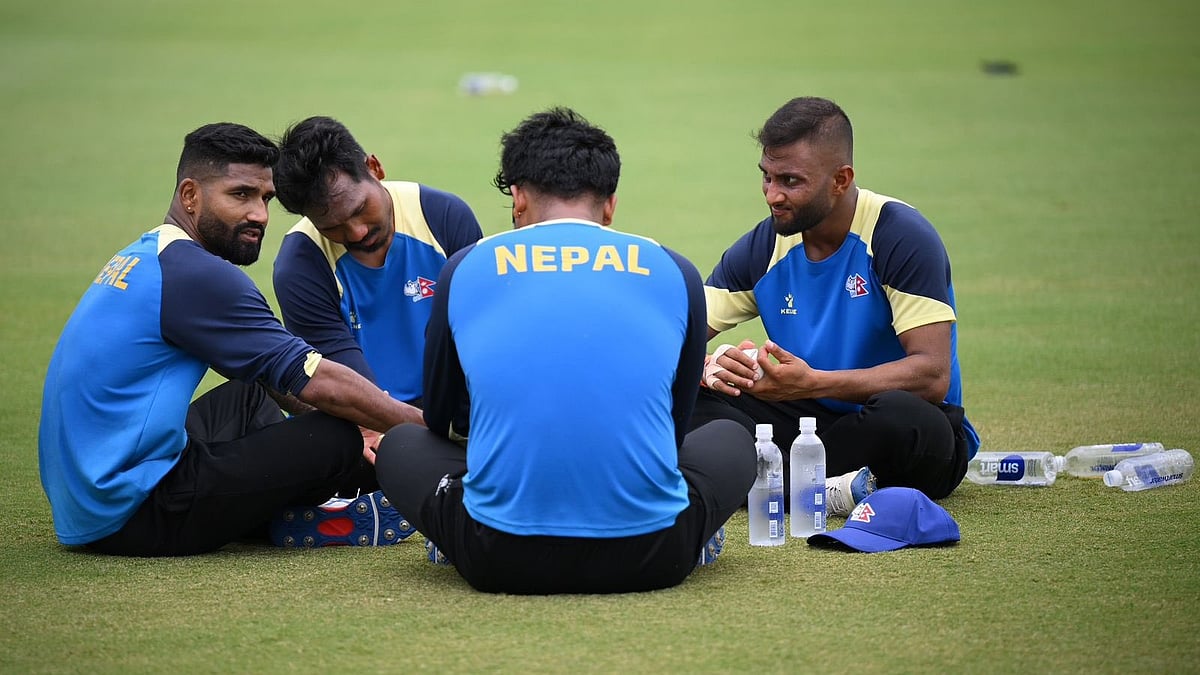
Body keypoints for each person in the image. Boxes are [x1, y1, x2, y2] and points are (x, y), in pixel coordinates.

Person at [374, 107, 756, 595]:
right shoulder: (675, 270)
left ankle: (457, 526)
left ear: (517, 198)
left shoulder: (465, 268)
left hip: (498, 559)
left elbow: (441, 418)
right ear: (610, 205)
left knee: (402, 445)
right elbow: (675, 427)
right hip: (655, 557)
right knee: (731, 435)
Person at [38, 122, 425, 557]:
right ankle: (342, 504)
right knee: (337, 438)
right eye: (240, 195)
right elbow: (313, 376)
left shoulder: (150, 253)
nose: (259, 214)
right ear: (190, 196)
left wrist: (361, 419)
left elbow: (273, 376)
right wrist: (416, 428)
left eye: (265, 198)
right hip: (132, 514)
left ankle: (289, 506)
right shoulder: (198, 276)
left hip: (85, 498)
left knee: (250, 398)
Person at [691, 96, 981, 516]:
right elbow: (677, 334)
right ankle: (826, 490)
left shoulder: (899, 236)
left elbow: (931, 376)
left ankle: (765, 484)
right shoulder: (765, 245)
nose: (772, 195)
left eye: (790, 181)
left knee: (906, 420)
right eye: (766, 177)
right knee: (684, 398)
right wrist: (704, 368)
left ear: (841, 179)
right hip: (808, 424)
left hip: (897, 427)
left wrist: (813, 382)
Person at [271, 116, 482, 416]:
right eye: (333, 226)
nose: (356, 232)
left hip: (446, 406)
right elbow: (349, 393)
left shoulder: (444, 216)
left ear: (375, 168)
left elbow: (479, 335)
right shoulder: (300, 267)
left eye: (359, 209)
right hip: (358, 416)